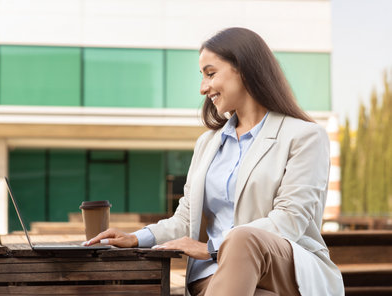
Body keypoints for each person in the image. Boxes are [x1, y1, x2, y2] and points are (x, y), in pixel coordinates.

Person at [84, 27, 344, 296]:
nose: (202, 88)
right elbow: (187, 218)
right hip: (212, 276)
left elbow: (290, 219)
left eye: (210, 74)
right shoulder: (207, 144)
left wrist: (214, 247)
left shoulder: (305, 136)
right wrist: (137, 238)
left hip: (284, 270)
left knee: (242, 238)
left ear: (244, 69)